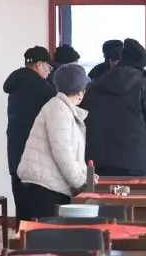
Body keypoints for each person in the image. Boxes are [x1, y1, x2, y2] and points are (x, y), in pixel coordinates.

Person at [81, 38, 146, 176]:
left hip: (96, 165)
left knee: (101, 191)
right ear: (142, 65)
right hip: (135, 165)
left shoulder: (94, 85)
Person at [15, 64, 90, 221]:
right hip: (44, 189)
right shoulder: (59, 109)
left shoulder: (63, 109)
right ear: (80, 91)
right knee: (47, 236)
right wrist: (81, 183)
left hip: (50, 187)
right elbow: (63, 153)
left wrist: (86, 176)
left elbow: (72, 153)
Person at [4, 46, 56, 216]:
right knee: (40, 211)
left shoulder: (16, 84)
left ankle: (21, 233)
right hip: (35, 157)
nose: (49, 71)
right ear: (39, 65)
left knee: (22, 207)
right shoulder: (43, 89)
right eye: (48, 66)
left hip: (15, 154)